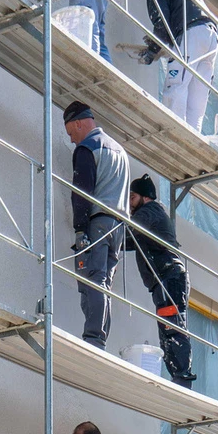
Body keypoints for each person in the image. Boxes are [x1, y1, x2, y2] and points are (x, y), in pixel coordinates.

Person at [64, 100, 130, 351]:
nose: (72, 140)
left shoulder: (88, 148)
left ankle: (93, 338)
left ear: (79, 123)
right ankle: (100, 336)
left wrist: (80, 229)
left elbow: (82, 193)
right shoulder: (120, 151)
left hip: (98, 223)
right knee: (104, 282)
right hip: (118, 228)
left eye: (71, 133)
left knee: (92, 279)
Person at [131, 0, 218, 133]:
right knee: (197, 93)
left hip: (191, 33)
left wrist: (152, 51)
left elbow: (162, 24)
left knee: (175, 85)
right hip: (211, 38)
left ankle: (173, 132)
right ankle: (194, 134)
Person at [126, 174, 196, 387]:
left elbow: (128, 231)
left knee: (172, 328)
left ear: (145, 197)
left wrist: (104, 232)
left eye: (132, 197)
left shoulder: (150, 211)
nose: (129, 202)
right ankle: (178, 376)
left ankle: (182, 377)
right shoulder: (151, 216)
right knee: (168, 329)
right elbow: (130, 240)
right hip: (166, 279)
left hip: (169, 278)